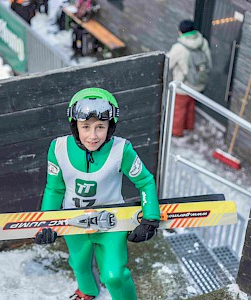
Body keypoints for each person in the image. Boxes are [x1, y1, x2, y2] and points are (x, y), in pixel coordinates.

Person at [35, 88, 161, 300]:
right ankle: (88, 291)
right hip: (73, 221)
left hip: (111, 222)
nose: (92, 136)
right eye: (85, 127)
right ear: (75, 126)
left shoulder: (122, 149)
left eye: (100, 127)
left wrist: (150, 218)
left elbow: (145, 181)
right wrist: (46, 222)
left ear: (110, 127)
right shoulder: (58, 148)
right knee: (79, 263)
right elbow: (55, 189)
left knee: (114, 275)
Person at [167, 20, 212, 137]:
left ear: (181, 32)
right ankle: (189, 126)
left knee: (178, 110)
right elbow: (209, 63)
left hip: (183, 85)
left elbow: (168, 64)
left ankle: (176, 132)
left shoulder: (179, 47)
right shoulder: (203, 42)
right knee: (190, 106)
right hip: (198, 84)